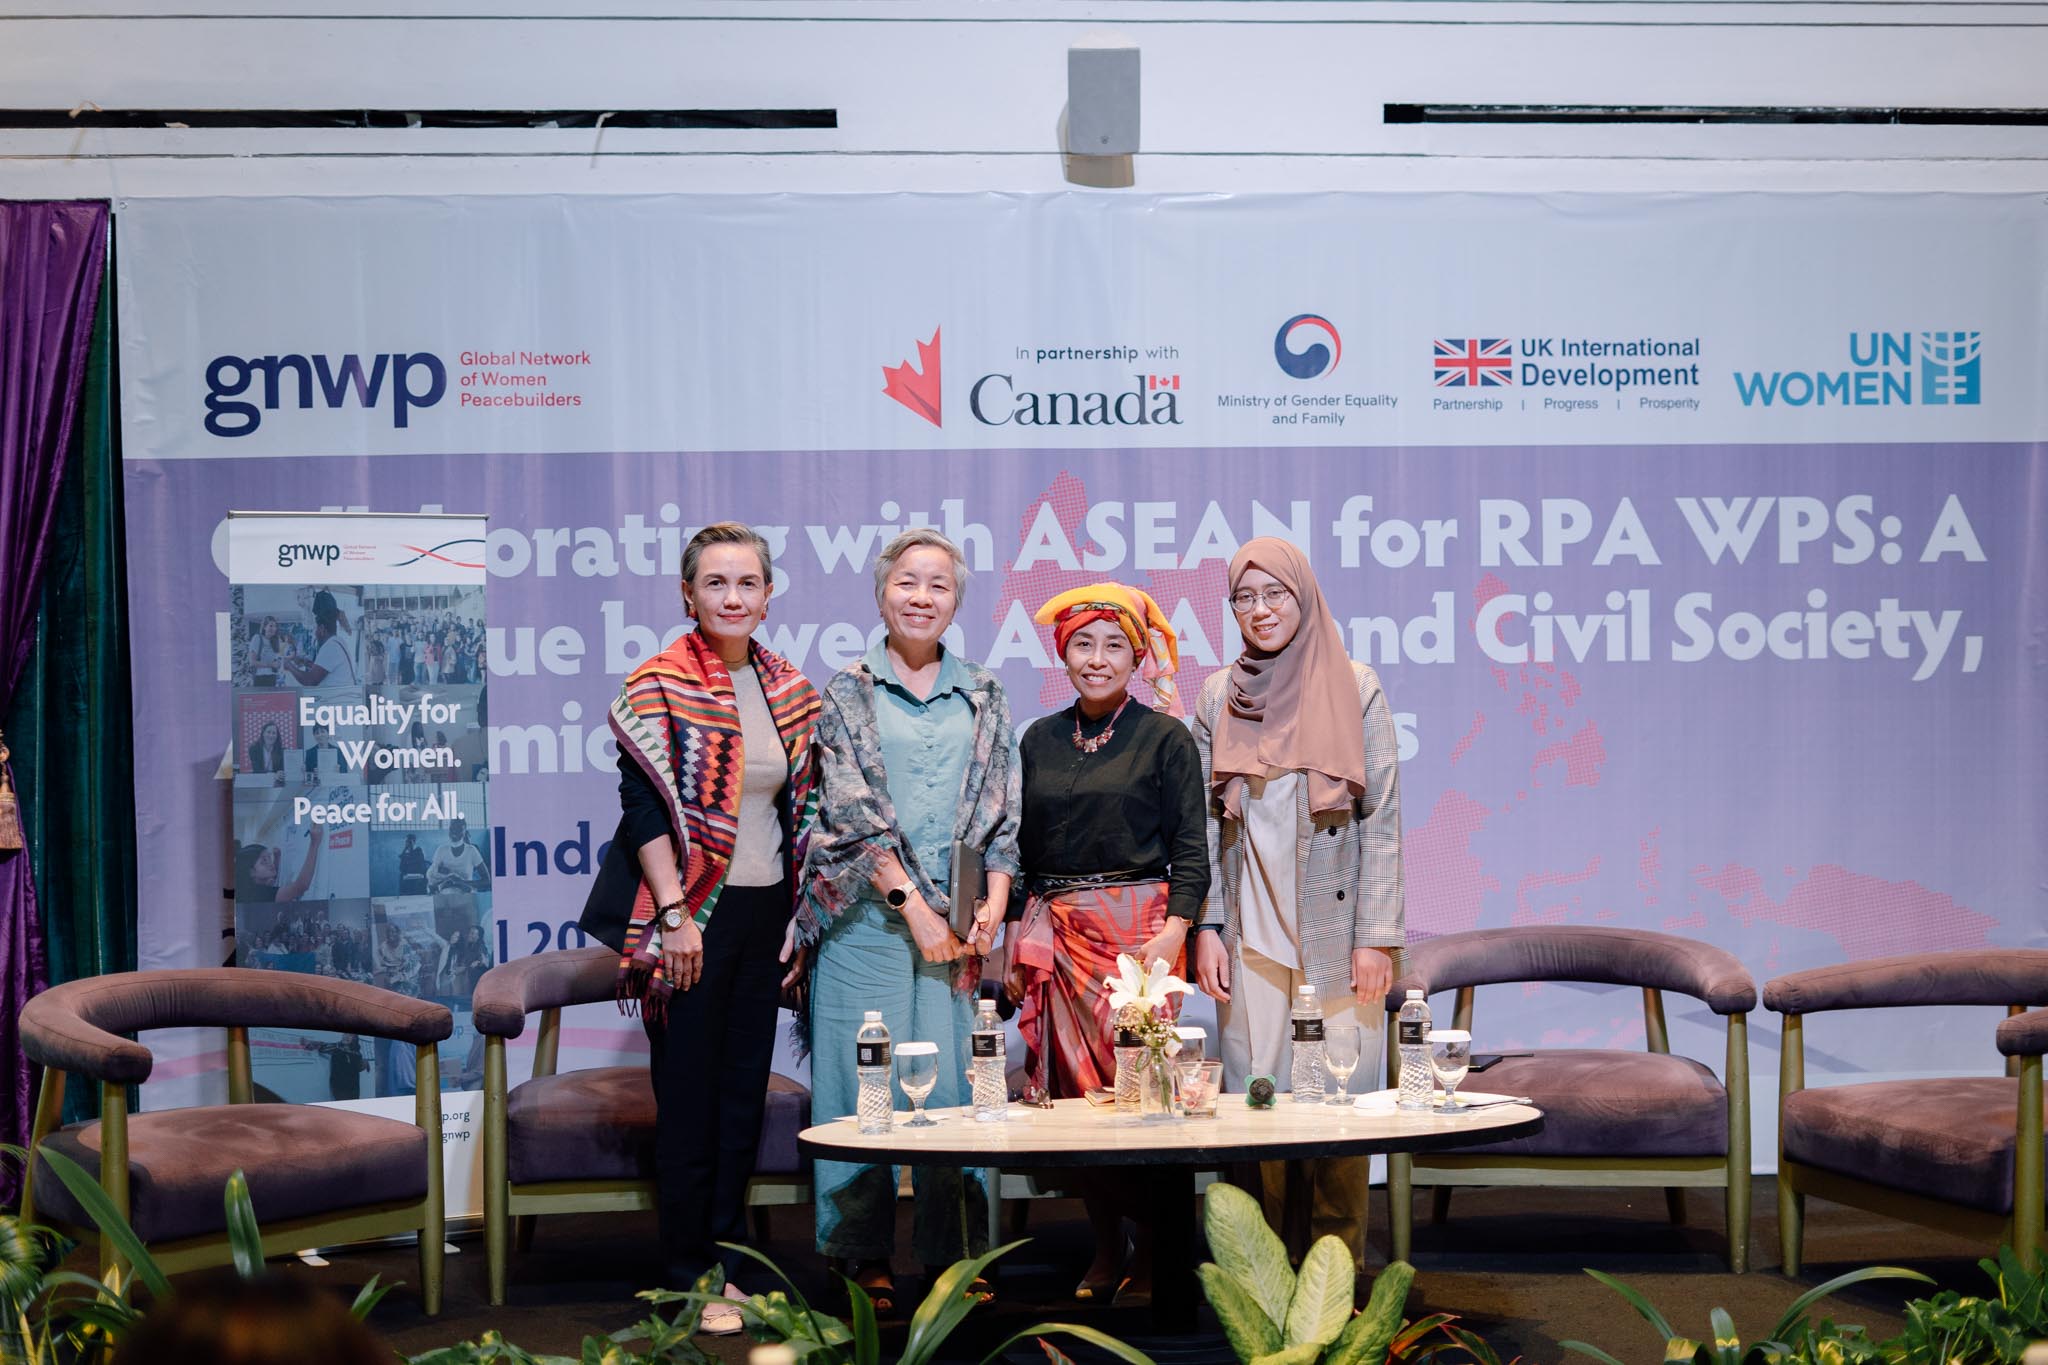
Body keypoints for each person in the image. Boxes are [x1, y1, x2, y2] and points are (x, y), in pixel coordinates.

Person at [578, 522, 821, 1337]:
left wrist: (802, 915)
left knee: (740, 1098)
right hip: (689, 914)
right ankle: (688, 1273)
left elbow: (802, 811)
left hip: (764, 912)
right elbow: (643, 807)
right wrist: (675, 912)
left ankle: (728, 1261)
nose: (732, 597)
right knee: (686, 1099)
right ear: (689, 594)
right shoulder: (658, 683)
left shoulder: (790, 686)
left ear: (768, 593)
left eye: (747, 582)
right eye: (715, 583)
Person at [799, 529, 1017, 1313]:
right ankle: (859, 1259)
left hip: (959, 931)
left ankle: (959, 1257)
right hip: (867, 923)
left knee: (959, 1090)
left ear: (957, 601)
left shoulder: (985, 693)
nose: (921, 596)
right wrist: (911, 907)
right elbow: (848, 814)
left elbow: (1002, 815)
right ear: (881, 592)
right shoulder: (846, 691)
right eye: (907, 582)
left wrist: (992, 902)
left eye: (938, 585)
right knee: (863, 1088)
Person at [1191, 537, 1406, 1269]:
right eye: (1244, 598)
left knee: (1339, 1108)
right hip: (1249, 932)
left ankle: (1334, 1276)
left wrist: (1376, 935)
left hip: (1336, 933)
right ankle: (1265, 1277)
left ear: (1303, 595)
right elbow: (1202, 824)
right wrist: (1208, 925)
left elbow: (1382, 818)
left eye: (1274, 593)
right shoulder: (1220, 693)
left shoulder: (1355, 682)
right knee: (1259, 1107)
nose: (1259, 610)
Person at [1010, 582, 1208, 1304]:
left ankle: (1159, 1251)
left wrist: (1178, 926)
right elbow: (1022, 847)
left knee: (1144, 1095)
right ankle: (1104, 1245)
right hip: (1059, 931)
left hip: (1140, 933)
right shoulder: (1037, 737)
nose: (1097, 659)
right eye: (1083, 644)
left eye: (1113, 645)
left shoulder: (1165, 736)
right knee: (1075, 1096)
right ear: (1063, 651)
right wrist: (1015, 931)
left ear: (1137, 654)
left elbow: (1193, 845)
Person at [281, 590, 358, 689]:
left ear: (322, 629)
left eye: (315, 629)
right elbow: (325, 668)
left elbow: (310, 680)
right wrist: (305, 663)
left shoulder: (331, 646)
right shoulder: (338, 641)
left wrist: (288, 665)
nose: (315, 633)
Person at [235, 829, 324, 905]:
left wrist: (277, 858)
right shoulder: (257, 894)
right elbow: (301, 886)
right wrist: (314, 843)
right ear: (251, 872)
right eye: (264, 861)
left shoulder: (247, 888)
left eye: (269, 857)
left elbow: (272, 874)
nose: (270, 863)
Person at [427, 817, 490, 893]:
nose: (454, 832)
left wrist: (462, 882)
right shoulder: (441, 850)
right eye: (452, 828)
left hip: (466, 895)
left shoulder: (471, 850)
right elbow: (431, 876)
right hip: (445, 896)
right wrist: (446, 878)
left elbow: (487, 880)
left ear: (465, 831)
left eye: (459, 829)